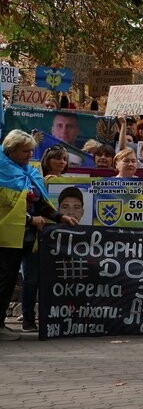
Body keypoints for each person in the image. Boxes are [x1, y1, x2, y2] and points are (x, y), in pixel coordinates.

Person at [1, 131, 79, 338]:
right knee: (3, 281)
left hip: (26, 237)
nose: (30, 155)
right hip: (6, 237)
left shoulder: (29, 172)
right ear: (11, 151)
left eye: (31, 151)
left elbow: (39, 203)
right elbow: (5, 207)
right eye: (25, 151)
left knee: (10, 283)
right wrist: (30, 220)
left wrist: (61, 217)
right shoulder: (2, 172)